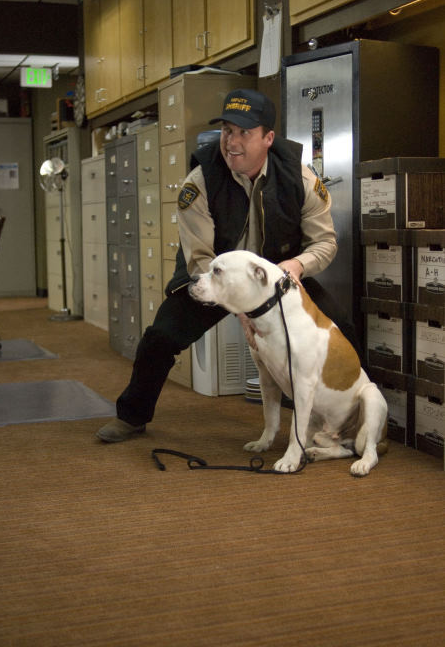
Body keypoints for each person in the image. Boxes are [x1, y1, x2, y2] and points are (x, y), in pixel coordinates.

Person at [97, 88, 356, 443]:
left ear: (268, 138)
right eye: (227, 131)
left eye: (243, 133)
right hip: (215, 278)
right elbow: (200, 258)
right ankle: (132, 416)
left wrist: (296, 265)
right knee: (160, 338)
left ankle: (354, 421)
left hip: (279, 276)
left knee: (343, 328)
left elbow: (325, 242)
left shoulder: (301, 178)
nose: (231, 142)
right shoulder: (199, 182)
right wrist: (243, 309)